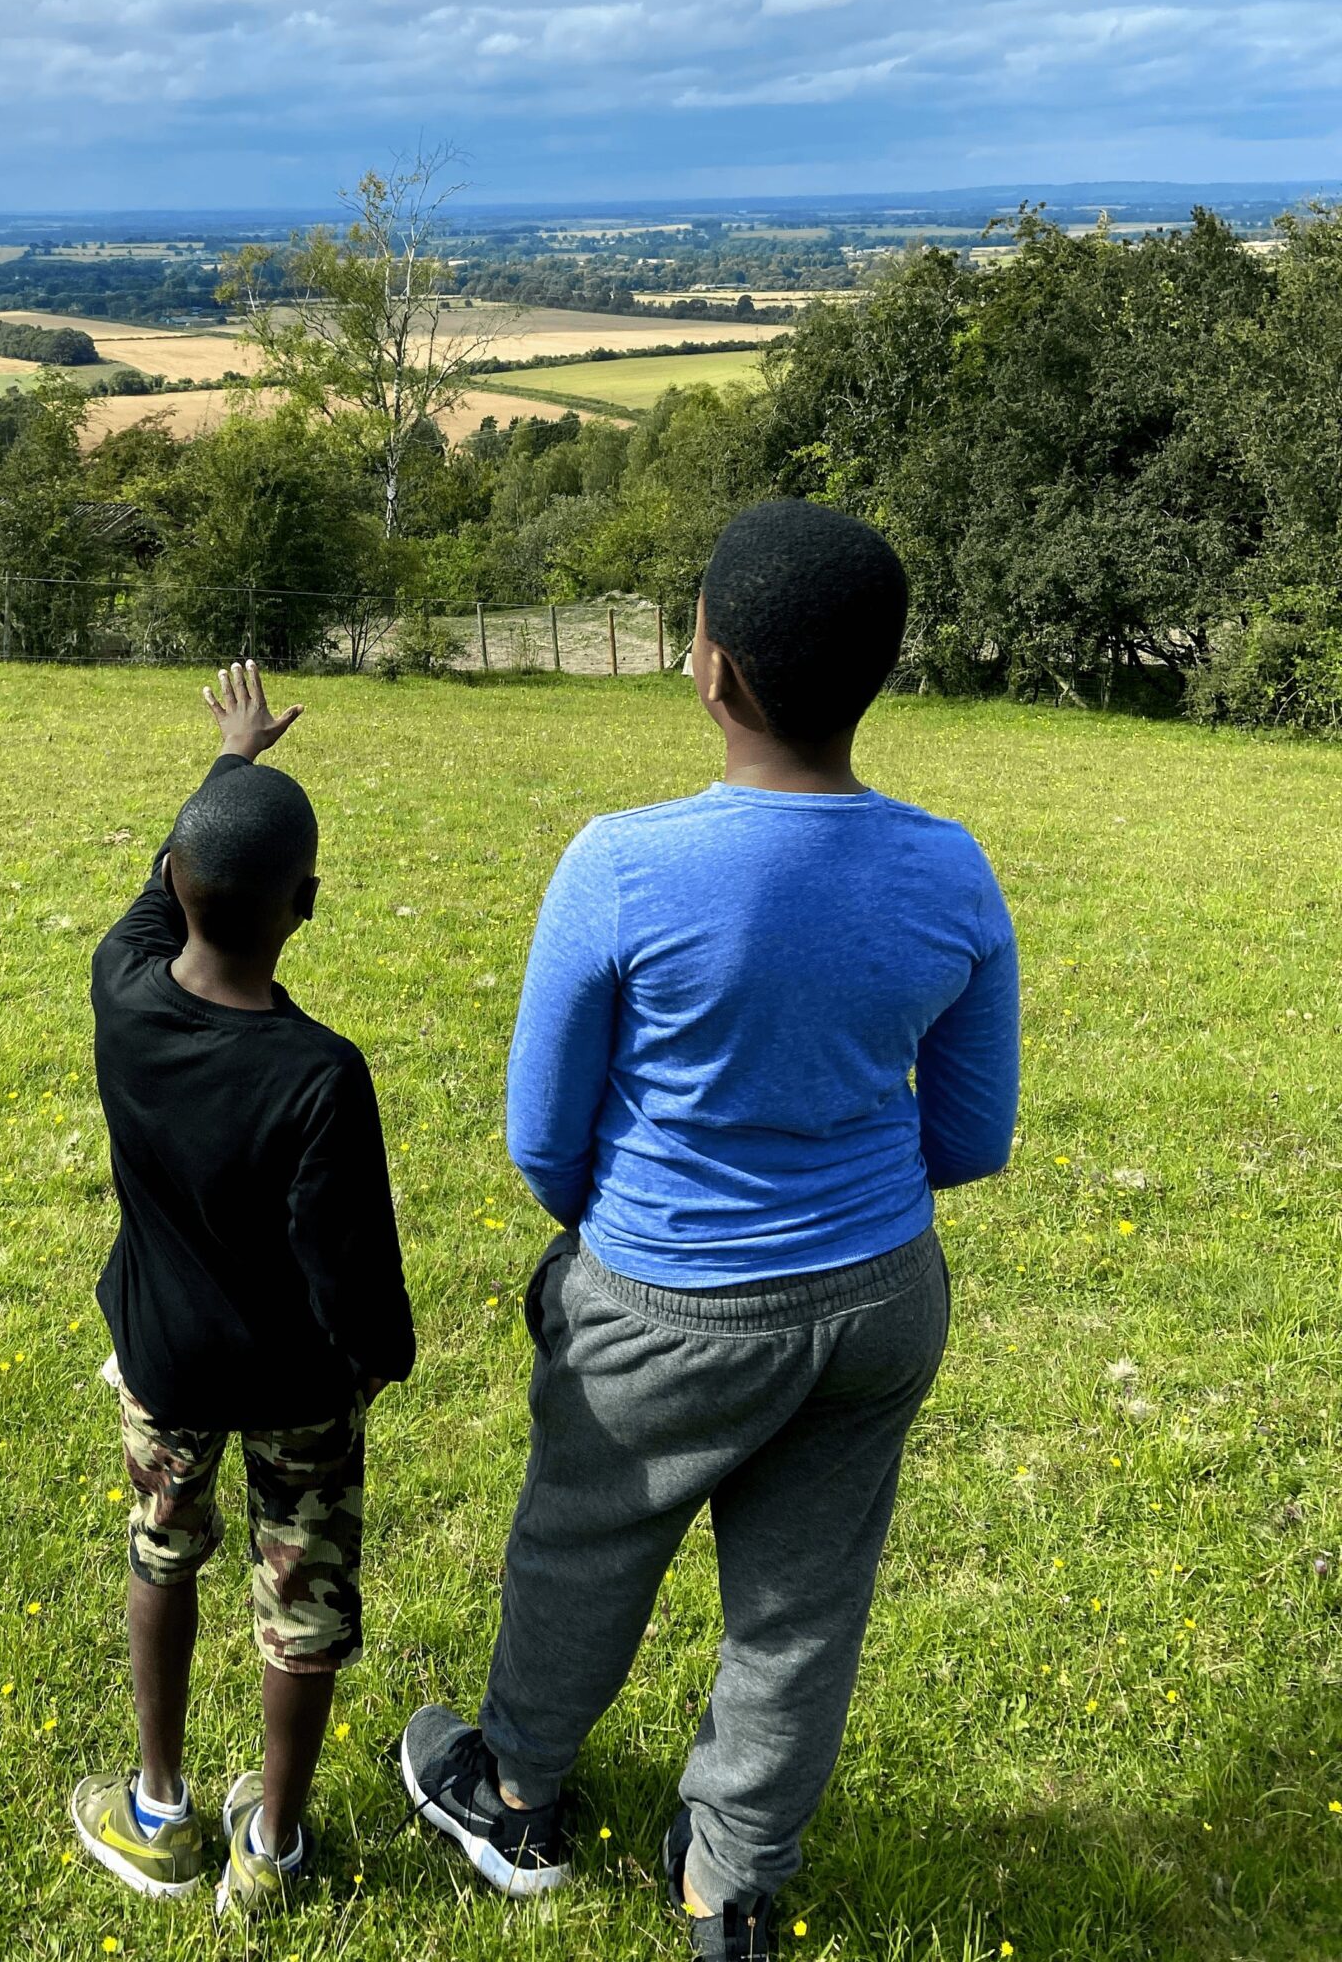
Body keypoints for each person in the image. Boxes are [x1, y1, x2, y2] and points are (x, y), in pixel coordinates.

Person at [400, 500, 1020, 1962]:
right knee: (804, 1607)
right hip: (878, 1298)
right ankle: (730, 1881)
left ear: (712, 669)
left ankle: (517, 1796)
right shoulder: (953, 869)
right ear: (876, 672)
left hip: (663, 1301)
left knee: (580, 1552)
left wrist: (618, 1247)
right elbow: (971, 1140)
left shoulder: (620, 864)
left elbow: (545, 1138)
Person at [72, 659, 416, 1916]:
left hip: (163, 1361)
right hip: (298, 1388)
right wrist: (381, 1356)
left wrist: (231, 762)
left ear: (172, 887)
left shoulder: (122, 993)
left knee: (162, 1554)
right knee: (301, 1599)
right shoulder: (320, 1074)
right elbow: (353, 1274)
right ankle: (270, 1847)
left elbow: (159, 891)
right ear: (309, 904)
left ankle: (157, 1802)